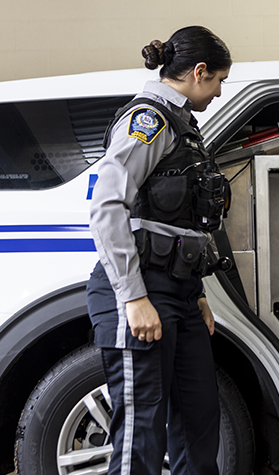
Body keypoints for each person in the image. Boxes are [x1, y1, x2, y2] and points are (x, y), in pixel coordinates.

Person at [86, 26, 231, 475]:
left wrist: (200, 294)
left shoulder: (185, 127)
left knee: (198, 422)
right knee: (141, 436)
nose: (220, 91)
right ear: (199, 71)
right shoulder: (148, 121)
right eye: (219, 81)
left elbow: (180, 222)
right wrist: (133, 298)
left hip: (181, 295)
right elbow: (107, 206)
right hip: (142, 292)